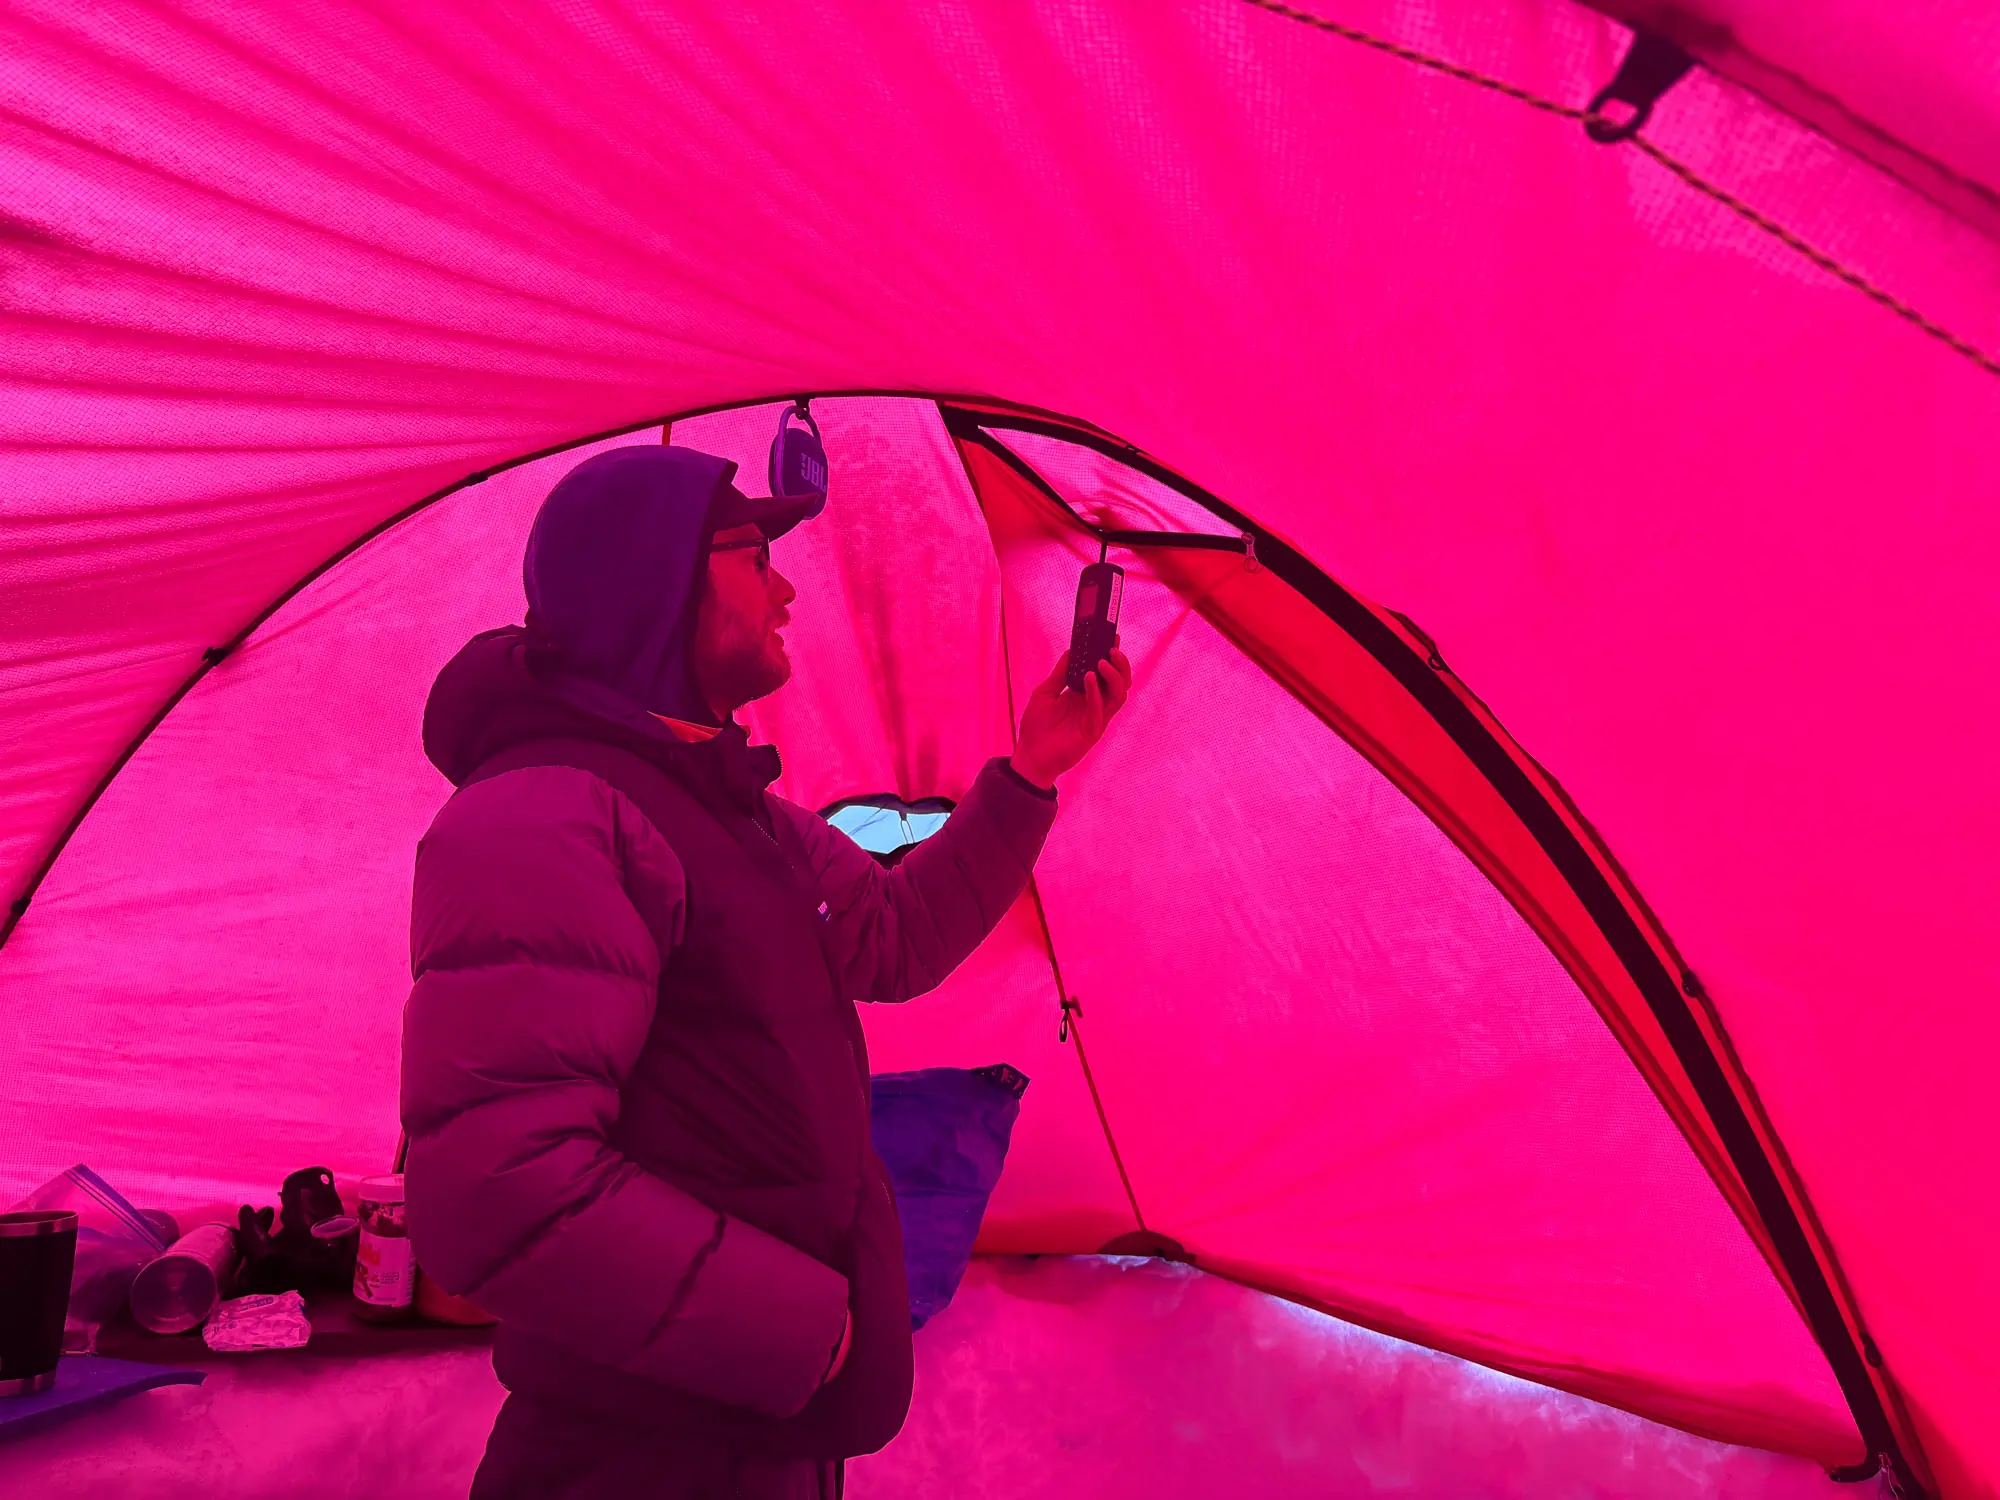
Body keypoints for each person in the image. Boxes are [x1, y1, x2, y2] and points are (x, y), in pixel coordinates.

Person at [399, 442, 1133, 1499]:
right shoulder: (544, 817)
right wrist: (805, 1333)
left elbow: (895, 934)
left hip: (752, 1422)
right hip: (637, 1453)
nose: (786, 592)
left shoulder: (738, 817)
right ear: (654, 584)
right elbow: (500, 1188)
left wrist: (1029, 773)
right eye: (753, 559)